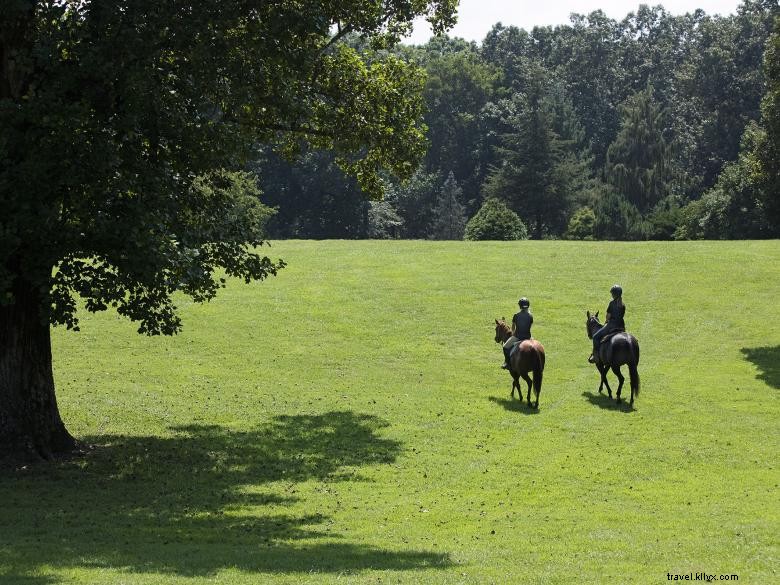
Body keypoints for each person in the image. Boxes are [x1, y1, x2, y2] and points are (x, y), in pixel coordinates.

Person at [589, 284, 626, 363]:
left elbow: (608, 316)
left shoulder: (612, 303)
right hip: (621, 327)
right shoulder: (623, 305)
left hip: (611, 326)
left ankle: (595, 356)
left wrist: (606, 322)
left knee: (595, 337)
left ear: (614, 294)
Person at [502, 297, 533, 369]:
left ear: (520, 306)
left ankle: (507, 363)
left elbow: (513, 328)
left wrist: (513, 334)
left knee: (505, 347)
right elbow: (530, 327)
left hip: (518, 336)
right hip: (528, 337)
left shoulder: (516, 315)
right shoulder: (530, 316)